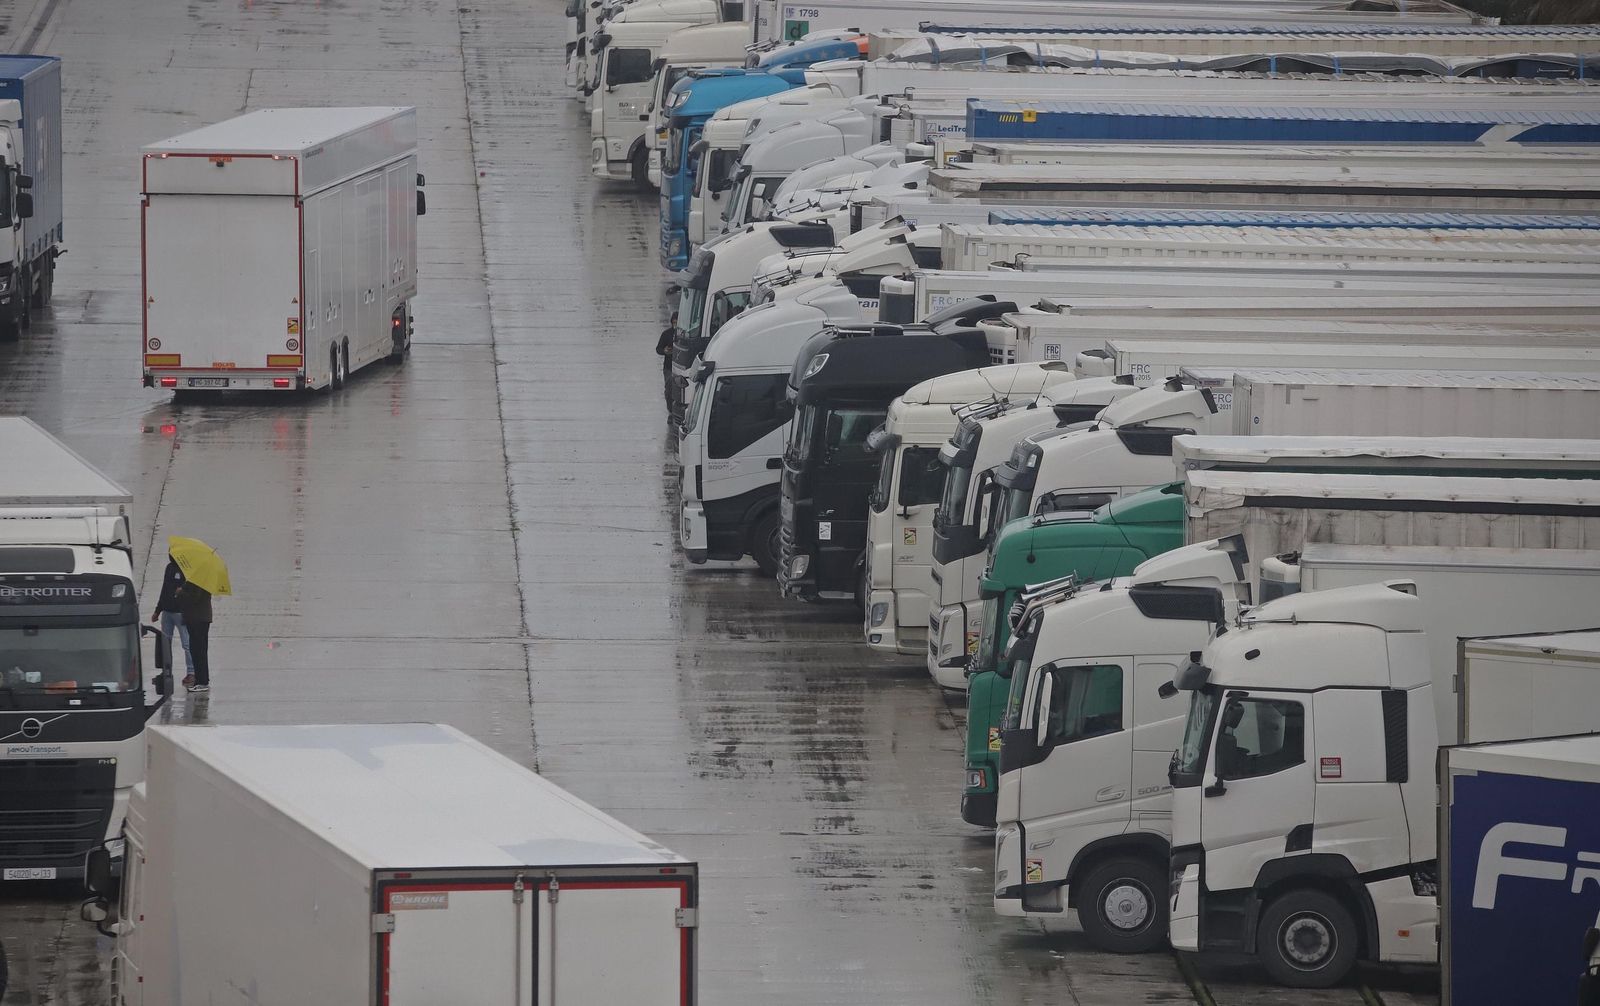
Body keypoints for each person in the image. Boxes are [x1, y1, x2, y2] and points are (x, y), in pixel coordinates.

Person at [151, 556, 192, 682]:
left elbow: (191, 591)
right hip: (167, 612)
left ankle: (191, 671)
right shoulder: (169, 568)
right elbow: (165, 589)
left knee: (186, 644)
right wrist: (158, 610)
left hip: (180, 612)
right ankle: (166, 670)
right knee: (165, 643)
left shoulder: (188, 570)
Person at [174, 578, 214, 692]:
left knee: (198, 650)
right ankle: (200, 680)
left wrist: (180, 592)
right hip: (197, 618)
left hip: (198, 619)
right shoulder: (198, 578)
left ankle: (202, 681)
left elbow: (194, 597)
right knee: (196, 650)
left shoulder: (199, 580)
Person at [656, 311, 678, 410]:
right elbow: (658, 349)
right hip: (668, 367)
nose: (675, 324)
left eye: (677, 322)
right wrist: (665, 351)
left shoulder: (685, 334)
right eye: (674, 322)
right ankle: (670, 411)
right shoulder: (666, 334)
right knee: (669, 390)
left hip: (681, 366)